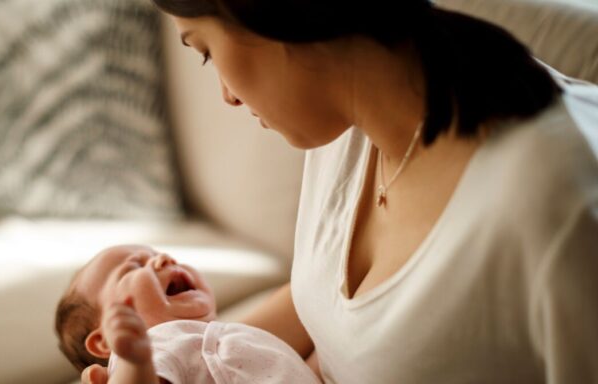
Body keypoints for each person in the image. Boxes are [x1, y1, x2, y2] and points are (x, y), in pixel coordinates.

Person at [72, 1, 598, 383]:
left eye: (205, 50)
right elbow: (336, 310)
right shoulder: (342, 124)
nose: (227, 96)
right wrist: (150, 361)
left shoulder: (555, 202)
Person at [56, 244, 322, 384]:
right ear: (104, 340)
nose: (165, 260)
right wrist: (134, 360)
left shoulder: (233, 340)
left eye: (159, 254)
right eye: (133, 267)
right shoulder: (157, 342)